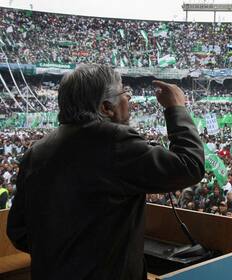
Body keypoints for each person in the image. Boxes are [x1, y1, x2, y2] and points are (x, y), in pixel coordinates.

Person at [6, 65, 205, 280]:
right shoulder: (114, 142)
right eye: (125, 93)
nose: (129, 100)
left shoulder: (36, 151)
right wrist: (176, 108)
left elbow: (18, 231)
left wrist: (64, 257)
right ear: (106, 108)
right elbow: (190, 165)